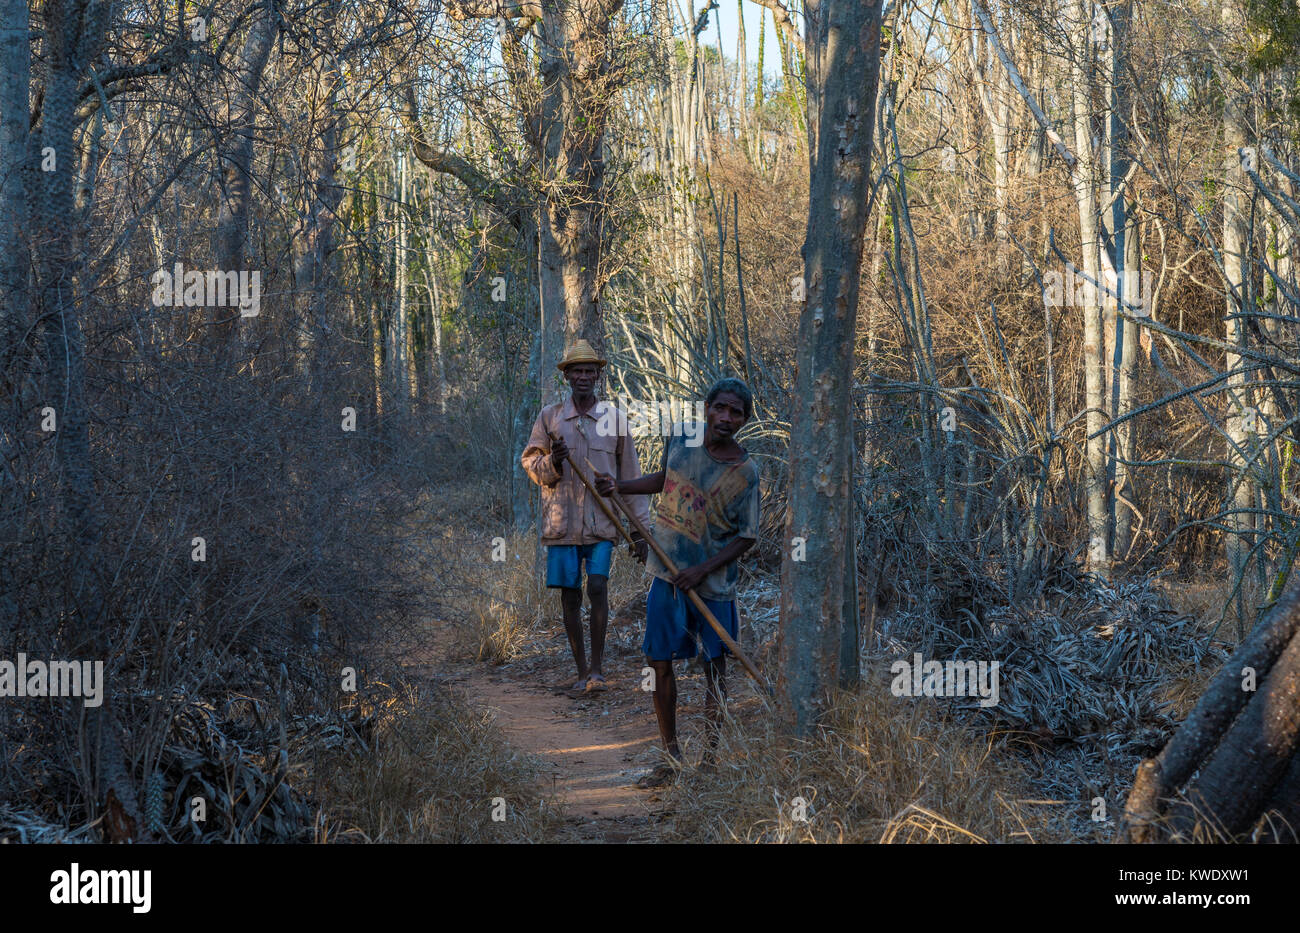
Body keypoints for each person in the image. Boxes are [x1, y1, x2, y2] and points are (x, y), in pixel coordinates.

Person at [595, 377, 760, 786]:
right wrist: (620, 487)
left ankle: (709, 763)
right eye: (719, 407)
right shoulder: (683, 437)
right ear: (706, 408)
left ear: (744, 419)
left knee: (715, 668)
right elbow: (662, 479)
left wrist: (702, 570)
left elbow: (747, 536)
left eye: (734, 412)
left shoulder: (745, 471)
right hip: (667, 577)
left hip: (713, 587)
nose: (725, 417)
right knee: (659, 662)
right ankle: (671, 758)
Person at [520, 339, 650, 693]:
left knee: (597, 586)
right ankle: (580, 672)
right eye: (576, 370)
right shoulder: (550, 418)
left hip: (602, 524)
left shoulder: (615, 420)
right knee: (570, 596)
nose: (583, 376)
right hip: (561, 526)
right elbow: (530, 463)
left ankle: (597, 670)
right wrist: (554, 461)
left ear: (598, 375)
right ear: (567, 376)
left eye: (589, 370)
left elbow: (630, 478)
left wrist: (640, 531)